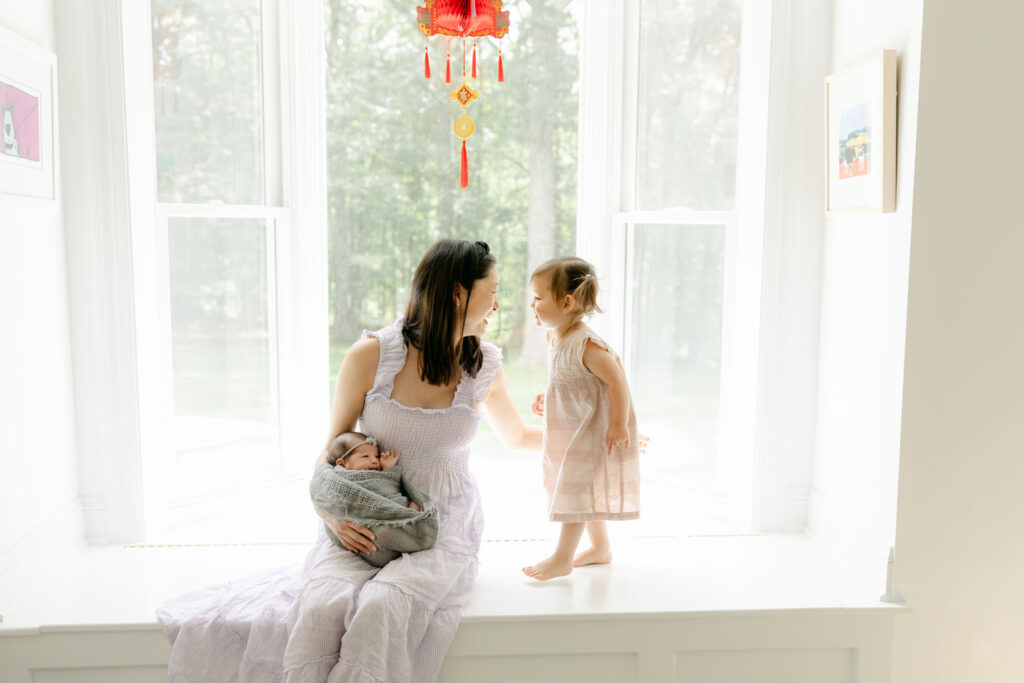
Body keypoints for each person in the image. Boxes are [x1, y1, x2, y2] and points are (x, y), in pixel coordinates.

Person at [159, 239, 542, 682]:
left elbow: (517, 436)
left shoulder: (483, 365)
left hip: (441, 524)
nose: (498, 303)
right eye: (492, 290)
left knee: (383, 607)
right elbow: (330, 451)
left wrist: (591, 433)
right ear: (458, 294)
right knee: (321, 608)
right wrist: (331, 517)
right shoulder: (371, 356)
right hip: (361, 516)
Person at [522, 256, 641, 581]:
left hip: (595, 431)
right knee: (582, 487)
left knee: (574, 491)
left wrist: (618, 424)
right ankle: (600, 548)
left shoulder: (586, 345)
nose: (531, 304)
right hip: (573, 427)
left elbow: (616, 380)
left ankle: (563, 557)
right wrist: (548, 395)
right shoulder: (555, 336)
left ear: (567, 302)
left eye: (538, 297)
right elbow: (569, 377)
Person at [311, 430, 438, 568]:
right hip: (366, 530)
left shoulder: (378, 474)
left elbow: (390, 489)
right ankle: (411, 527)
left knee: (405, 512)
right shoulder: (338, 479)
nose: (374, 460)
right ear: (342, 464)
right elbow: (328, 495)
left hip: (390, 512)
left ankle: (408, 519)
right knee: (383, 533)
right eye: (365, 456)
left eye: (376, 456)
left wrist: (389, 470)